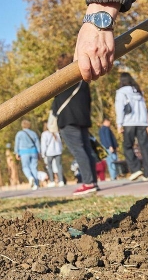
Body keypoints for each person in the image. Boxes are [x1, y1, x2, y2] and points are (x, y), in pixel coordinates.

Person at [51, 54, 99, 195]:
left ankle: (88, 183)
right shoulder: (82, 79)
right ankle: (93, 181)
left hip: (68, 120)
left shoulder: (60, 81)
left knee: (78, 151)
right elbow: (88, 100)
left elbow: (56, 102)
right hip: (83, 119)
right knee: (86, 150)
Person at [116, 73, 148, 181]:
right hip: (141, 122)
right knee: (145, 147)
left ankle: (135, 168)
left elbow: (120, 108)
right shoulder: (138, 91)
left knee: (127, 146)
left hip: (129, 122)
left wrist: (119, 124)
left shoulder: (121, 92)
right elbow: (144, 107)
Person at [14, 119, 41, 190]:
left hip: (24, 152)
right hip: (34, 151)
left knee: (25, 167)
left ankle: (30, 177)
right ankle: (36, 184)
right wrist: (39, 152)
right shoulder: (33, 133)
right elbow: (37, 143)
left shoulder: (19, 133)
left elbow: (17, 144)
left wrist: (16, 152)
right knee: (34, 167)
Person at [40, 122, 64, 187]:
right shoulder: (56, 133)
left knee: (50, 167)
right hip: (57, 151)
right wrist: (61, 150)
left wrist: (43, 154)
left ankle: (52, 181)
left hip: (49, 152)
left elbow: (43, 145)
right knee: (59, 166)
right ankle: (61, 180)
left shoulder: (44, 134)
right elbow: (60, 143)